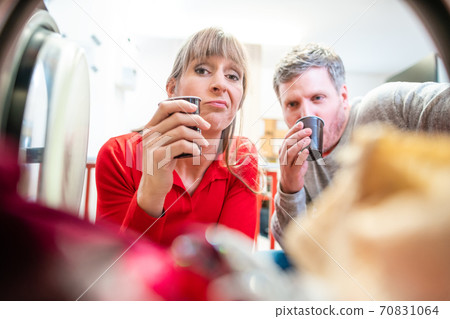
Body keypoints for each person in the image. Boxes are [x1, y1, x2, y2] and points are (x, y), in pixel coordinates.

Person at [271, 43, 450, 247]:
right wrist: (289, 187)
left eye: (318, 98)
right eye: (292, 104)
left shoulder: (383, 107)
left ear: (343, 97)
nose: (306, 114)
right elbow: (296, 249)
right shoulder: (300, 162)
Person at [95, 27, 260, 244]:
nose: (221, 85)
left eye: (232, 76)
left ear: (240, 100)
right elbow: (115, 268)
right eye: (202, 70)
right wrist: (151, 192)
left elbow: (232, 266)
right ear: (173, 88)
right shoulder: (118, 155)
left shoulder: (242, 158)